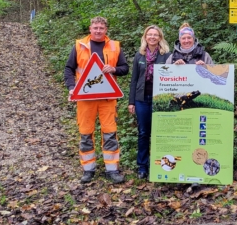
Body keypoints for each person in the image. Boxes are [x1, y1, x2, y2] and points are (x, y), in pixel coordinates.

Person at [64, 16, 129, 184]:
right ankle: (88, 169)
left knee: (110, 133)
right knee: (85, 133)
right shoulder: (79, 46)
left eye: (101, 28)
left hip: (107, 98)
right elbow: (69, 69)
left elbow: (125, 69)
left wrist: (114, 69)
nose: (98, 30)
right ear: (90, 29)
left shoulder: (115, 46)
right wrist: (72, 88)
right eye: (95, 28)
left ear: (106, 30)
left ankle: (112, 169)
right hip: (85, 98)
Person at [128, 25, 170, 179]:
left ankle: (162, 165)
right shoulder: (139, 55)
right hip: (142, 99)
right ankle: (142, 167)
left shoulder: (166, 55)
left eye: (155, 35)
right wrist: (131, 101)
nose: (152, 37)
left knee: (161, 133)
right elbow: (133, 80)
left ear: (160, 37)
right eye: (149, 34)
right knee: (144, 133)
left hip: (160, 99)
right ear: (145, 37)